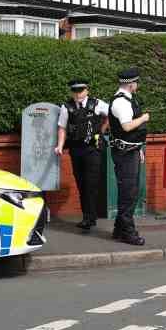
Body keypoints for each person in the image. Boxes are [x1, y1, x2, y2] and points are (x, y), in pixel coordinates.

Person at [54, 79, 109, 233]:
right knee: (81, 183)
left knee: (91, 183)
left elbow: (112, 114)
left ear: (87, 90)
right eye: (75, 91)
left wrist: (102, 130)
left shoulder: (97, 104)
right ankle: (88, 216)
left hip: (93, 149)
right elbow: (62, 128)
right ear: (72, 92)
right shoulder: (67, 107)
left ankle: (89, 218)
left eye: (81, 91)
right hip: (76, 150)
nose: (78, 94)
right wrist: (59, 145)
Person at [107, 67, 149, 246]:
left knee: (129, 191)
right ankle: (128, 233)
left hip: (130, 150)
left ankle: (118, 229)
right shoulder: (121, 102)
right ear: (131, 84)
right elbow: (126, 126)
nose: (137, 85)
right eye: (136, 83)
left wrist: (138, 148)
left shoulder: (127, 100)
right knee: (129, 193)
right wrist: (144, 118)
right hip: (124, 154)